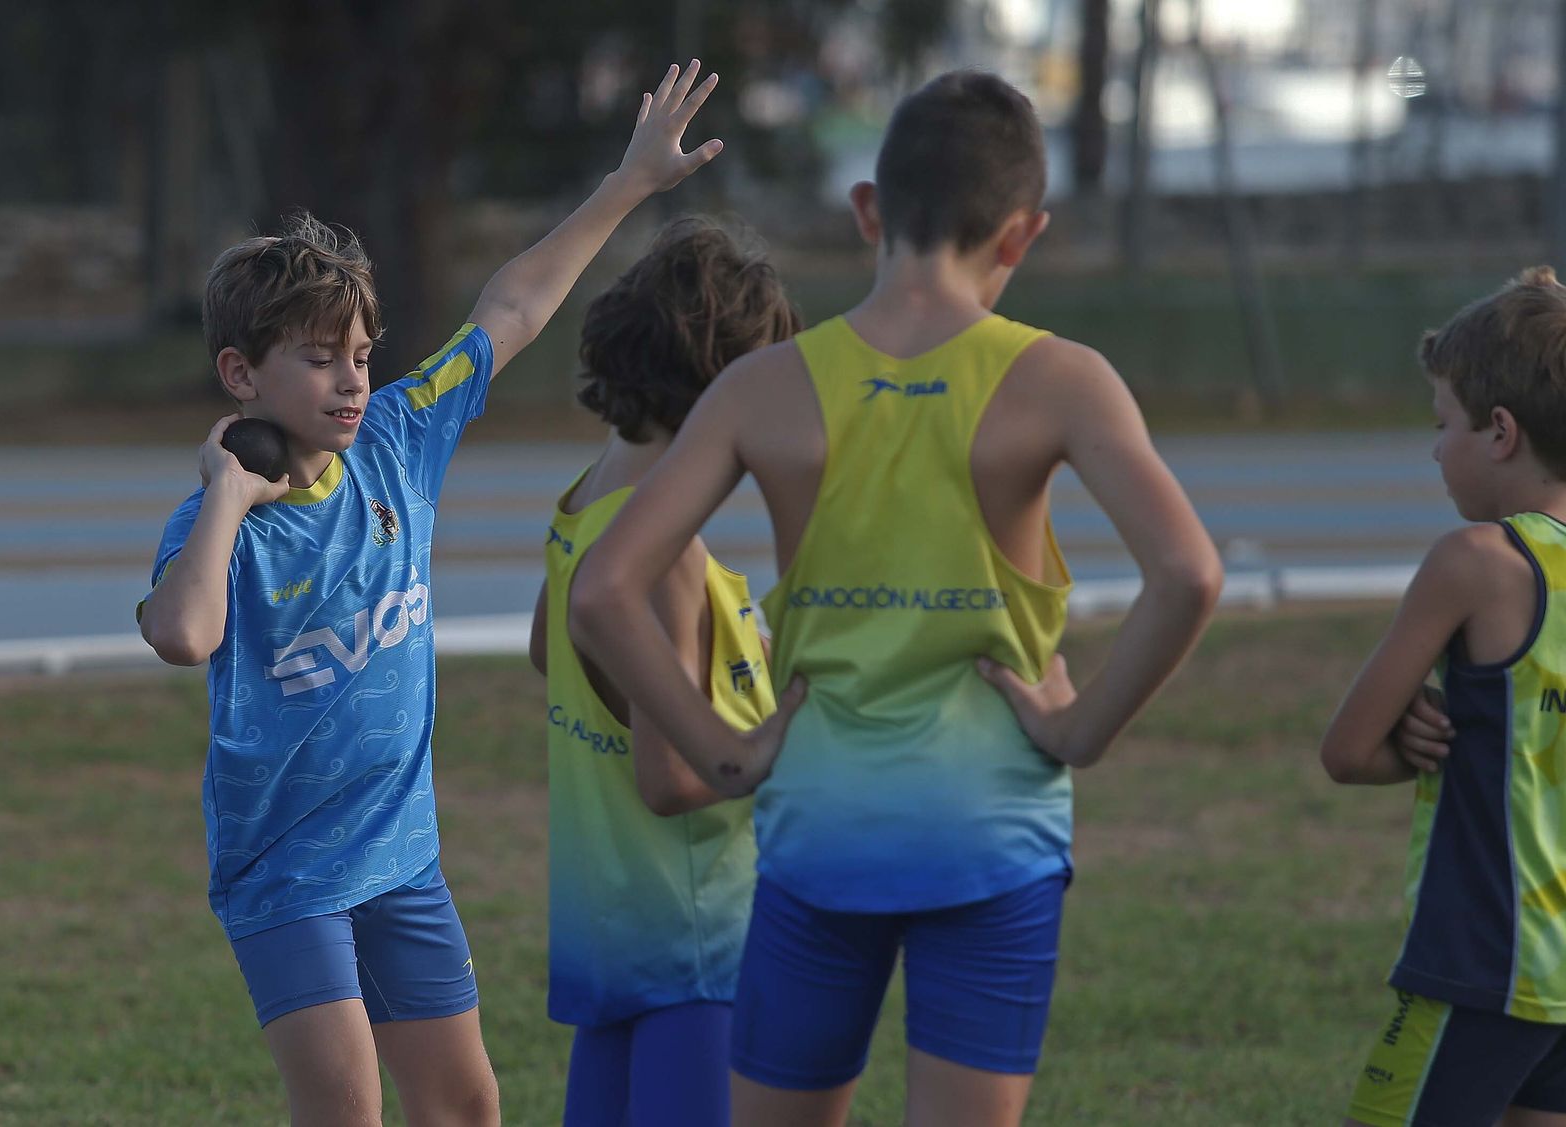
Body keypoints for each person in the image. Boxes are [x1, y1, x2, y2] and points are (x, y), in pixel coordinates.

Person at [568, 69, 1222, 1127]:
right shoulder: (1064, 379)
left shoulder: (762, 386)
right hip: (991, 834)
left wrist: (721, 751)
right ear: (1021, 235)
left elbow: (604, 588)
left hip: (821, 828)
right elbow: (1189, 573)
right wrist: (1079, 729)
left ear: (868, 208)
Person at [136, 60, 724, 1127]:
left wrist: (631, 183)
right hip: (287, 876)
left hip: (402, 859)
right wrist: (226, 493)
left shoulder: (400, 440)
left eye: (362, 354)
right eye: (320, 360)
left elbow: (514, 303)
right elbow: (184, 633)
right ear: (240, 376)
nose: (353, 379)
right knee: (346, 1109)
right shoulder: (224, 525)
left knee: (465, 1105)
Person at [526, 215, 800, 1126]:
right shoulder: (667, 557)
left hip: (611, 929)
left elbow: (550, 651)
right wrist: (792, 731)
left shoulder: (587, 500)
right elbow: (672, 777)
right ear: (721, 391)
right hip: (699, 944)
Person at [1321, 266, 1566, 1127]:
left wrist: (1412, 733)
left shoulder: (1477, 562)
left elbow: (1347, 751)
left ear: (1500, 431)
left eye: (1442, 424)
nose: (1434, 449)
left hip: (1485, 960)